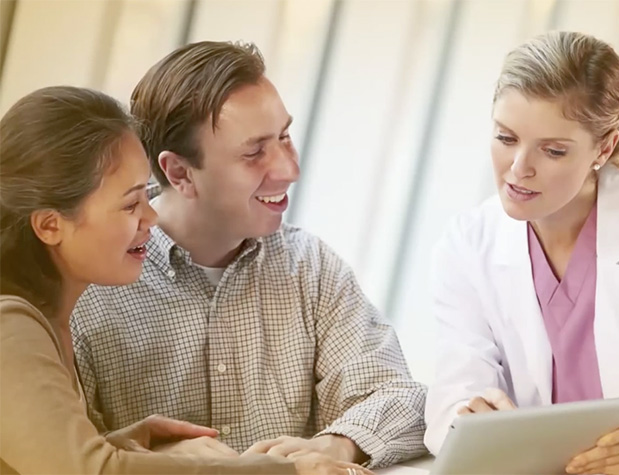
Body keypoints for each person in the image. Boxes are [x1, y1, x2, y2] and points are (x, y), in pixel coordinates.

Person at [70, 41, 427, 470]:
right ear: (179, 172)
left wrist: (337, 445)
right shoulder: (89, 288)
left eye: (285, 137)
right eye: (255, 152)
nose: (290, 170)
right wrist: (150, 463)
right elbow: (59, 454)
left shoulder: (310, 267)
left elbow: (399, 398)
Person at [0, 86, 372, 475]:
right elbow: (93, 472)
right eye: (130, 204)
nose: (151, 217)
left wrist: (122, 444)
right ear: (50, 226)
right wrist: (290, 472)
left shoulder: (43, 320)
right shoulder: (10, 326)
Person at [424, 31, 619, 475]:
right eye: (506, 138)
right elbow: (453, 397)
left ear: (603, 148)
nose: (519, 168)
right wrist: (472, 418)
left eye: (553, 150)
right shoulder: (467, 245)